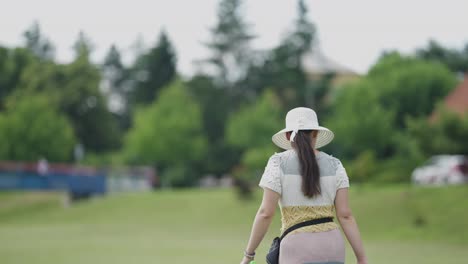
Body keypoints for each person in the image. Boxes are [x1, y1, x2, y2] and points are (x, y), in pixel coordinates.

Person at [240, 107, 367, 264]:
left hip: (296, 249)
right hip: (334, 248)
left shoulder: (278, 163)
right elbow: (345, 215)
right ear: (316, 133)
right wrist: (361, 258)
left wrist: (249, 255)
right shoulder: (335, 165)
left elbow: (266, 213)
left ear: (288, 135)